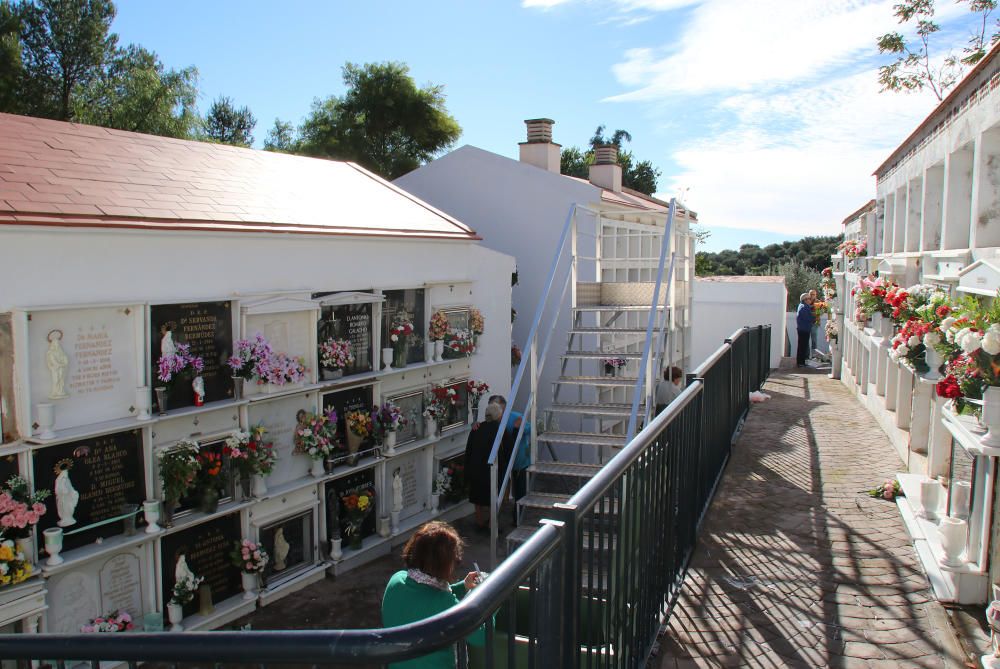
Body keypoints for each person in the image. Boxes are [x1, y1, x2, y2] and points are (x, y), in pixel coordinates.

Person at [381, 521, 487, 669]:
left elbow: (424, 604)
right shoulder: (443, 601)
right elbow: (482, 637)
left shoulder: (396, 580)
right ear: (444, 564)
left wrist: (463, 586)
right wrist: (491, 597)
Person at [464, 402, 513, 531]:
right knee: (494, 496)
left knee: (478, 497)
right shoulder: (501, 429)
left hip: (476, 469)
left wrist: (468, 468)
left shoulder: (477, 428)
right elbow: (508, 450)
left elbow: (469, 449)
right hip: (493, 469)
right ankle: (492, 523)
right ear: (499, 416)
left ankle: (479, 522)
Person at [486, 394, 530, 519]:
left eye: (497, 406)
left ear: (504, 406)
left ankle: (518, 517)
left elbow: (530, 429)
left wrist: (520, 427)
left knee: (519, 490)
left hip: (518, 461)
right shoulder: (491, 420)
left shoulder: (515, 417)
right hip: (501, 462)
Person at [796, 292, 814, 368]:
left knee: (802, 346)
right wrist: (814, 317)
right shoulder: (804, 307)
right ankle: (801, 363)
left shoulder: (802, 306)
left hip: (802, 329)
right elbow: (808, 318)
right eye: (809, 299)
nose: (810, 300)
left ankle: (801, 362)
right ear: (805, 300)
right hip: (804, 329)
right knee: (803, 346)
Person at [808, 288, 821, 358]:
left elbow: (819, 312)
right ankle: (807, 355)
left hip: (815, 323)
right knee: (806, 340)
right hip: (807, 323)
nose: (813, 296)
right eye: (811, 294)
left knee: (814, 340)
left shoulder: (818, 302)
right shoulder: (807, 301)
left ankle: (814, 356)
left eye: (814, 294)